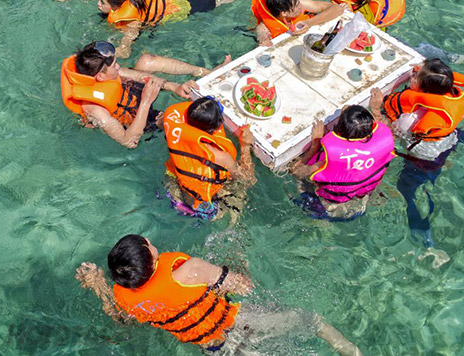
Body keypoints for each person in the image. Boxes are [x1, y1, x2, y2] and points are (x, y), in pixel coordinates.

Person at [76, 234, 363, 355]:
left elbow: (120, 319)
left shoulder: (123, 297)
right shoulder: (189, 270)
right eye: (147, 244)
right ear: (151, 260)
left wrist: (98, 285)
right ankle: (350, 350)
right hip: (239, 322)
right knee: (310, 320)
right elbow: (242, 286)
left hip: (214, 347)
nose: (150, 241)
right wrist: (238, 260)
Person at [369, 58, 464, 247]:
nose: (412, 73)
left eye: (416, 74)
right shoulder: (449, 96)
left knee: (406, 189)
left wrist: (376, 109)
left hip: (425, 158)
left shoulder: (412, 118)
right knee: (455, 136)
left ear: (425, 91)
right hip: (447, 139)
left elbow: (391, 133)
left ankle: (420, 227)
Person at [50, 0, 276, 57]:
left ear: (117, 7)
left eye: (102, 2)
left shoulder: (132, 21)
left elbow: (126, 51)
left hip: (184, 5)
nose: (98, 4)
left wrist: (101, 54)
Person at [61, 41, 229, 148]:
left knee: (146, 61)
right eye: (115, 65)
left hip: (133, 96)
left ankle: (208, 73)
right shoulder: (97, 111)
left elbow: (139, 77)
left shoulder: (107, 74)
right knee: (173, 117)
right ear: (100, 77)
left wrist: (174, 86)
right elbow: (129, 141)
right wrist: (146, 102)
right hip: (137, 120)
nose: (118, 67)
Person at [291, 106, 395, 221]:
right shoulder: (383, 144)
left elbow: (295, 171)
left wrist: (315, 145)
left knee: (300, 181)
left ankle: (322, 223)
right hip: (360, 202)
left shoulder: (328, 160)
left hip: (327, 209)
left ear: (339, 131)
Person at [163, 97, 256, 223]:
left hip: (174, 188)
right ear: (216, 127)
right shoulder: (221, 157)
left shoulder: (172, 127)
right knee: (239, 189)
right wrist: (245, 145)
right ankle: (232, 220)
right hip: (202, 208)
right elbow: (248, 179)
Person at [251, 0, 344, 46]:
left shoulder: (299, 2)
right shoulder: (265, 25)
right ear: (284, 13)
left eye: (298, 1)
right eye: (297, 5)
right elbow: (262, 36)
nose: (301, 5)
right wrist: (265, 40)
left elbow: (337, 8)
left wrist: (309, 22)